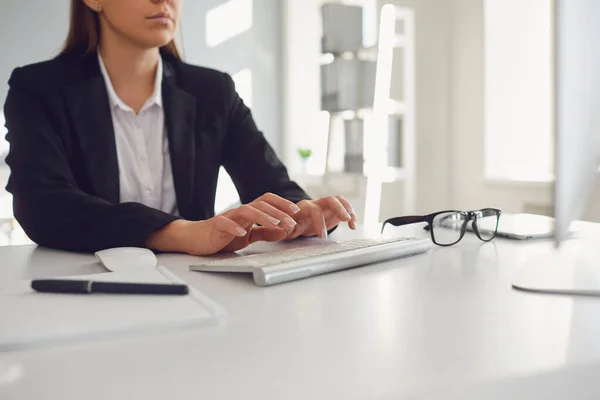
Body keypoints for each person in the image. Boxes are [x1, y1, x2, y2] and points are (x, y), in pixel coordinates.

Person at [3, 0, 357, 256]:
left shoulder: (213, 91)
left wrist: (301, 214)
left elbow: (273, 185)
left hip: (198, 289)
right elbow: (42, 205)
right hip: (81, 292)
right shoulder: (38, 88)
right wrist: (182, 234)